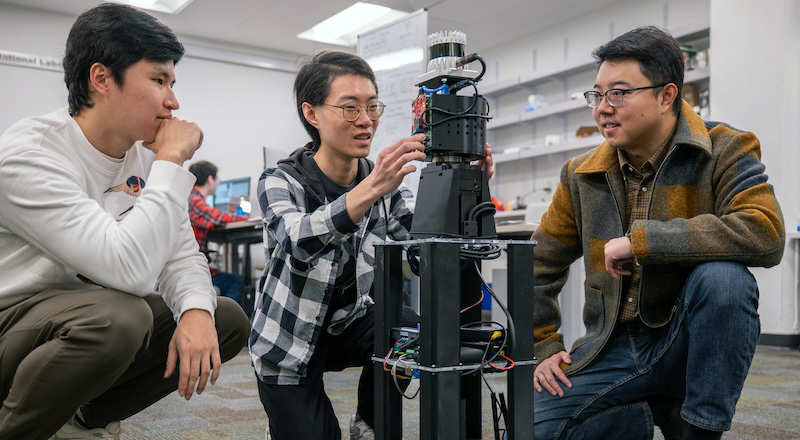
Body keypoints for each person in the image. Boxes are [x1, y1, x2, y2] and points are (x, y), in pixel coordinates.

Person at [0, 4, 250, 439]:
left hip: (83, 318)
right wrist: (171, 159)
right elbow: (128, 271)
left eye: (172, 83)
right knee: (121, 317)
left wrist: (193, 310)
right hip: (13, 323)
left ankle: (82, 420)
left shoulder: (141, 156)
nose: (173, 101)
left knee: (222, 316)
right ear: (100, 79)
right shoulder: (30, 153)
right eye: (158, 80)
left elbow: (181, 256)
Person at [531, 26, 784, 440]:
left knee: (724, 281)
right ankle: (641, 414)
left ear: (667, 96)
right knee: (532, 430)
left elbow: (765, 230)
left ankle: (700, 430)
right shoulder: (580, 175)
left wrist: (642, 241)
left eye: (619, 93)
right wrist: (542, 345)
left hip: (683, 339)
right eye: (597, 95)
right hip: (610, 346)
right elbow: (539, 263)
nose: (602, 109)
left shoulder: (725, 148)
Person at [249, 51, 492, 440]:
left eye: (372, 106)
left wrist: (467, 185)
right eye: (349, 108)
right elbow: (299, 241)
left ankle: (369, 421)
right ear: (311, 114)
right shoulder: (280, 180)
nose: (366, 120)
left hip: (350, 323)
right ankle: (284, 424)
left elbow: (424, 246)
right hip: (288, 342)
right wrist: (370, 188)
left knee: (413, 327)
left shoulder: (384, 186)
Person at [188, 160, 250, 303]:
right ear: (210, 179)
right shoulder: (193, 200)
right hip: (194, 269)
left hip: (191, 264)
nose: (218, 182)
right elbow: (217, 218)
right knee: (236, 281)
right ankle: (226, 319)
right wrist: (247, 218)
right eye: (217, 179)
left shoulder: (189, 198)